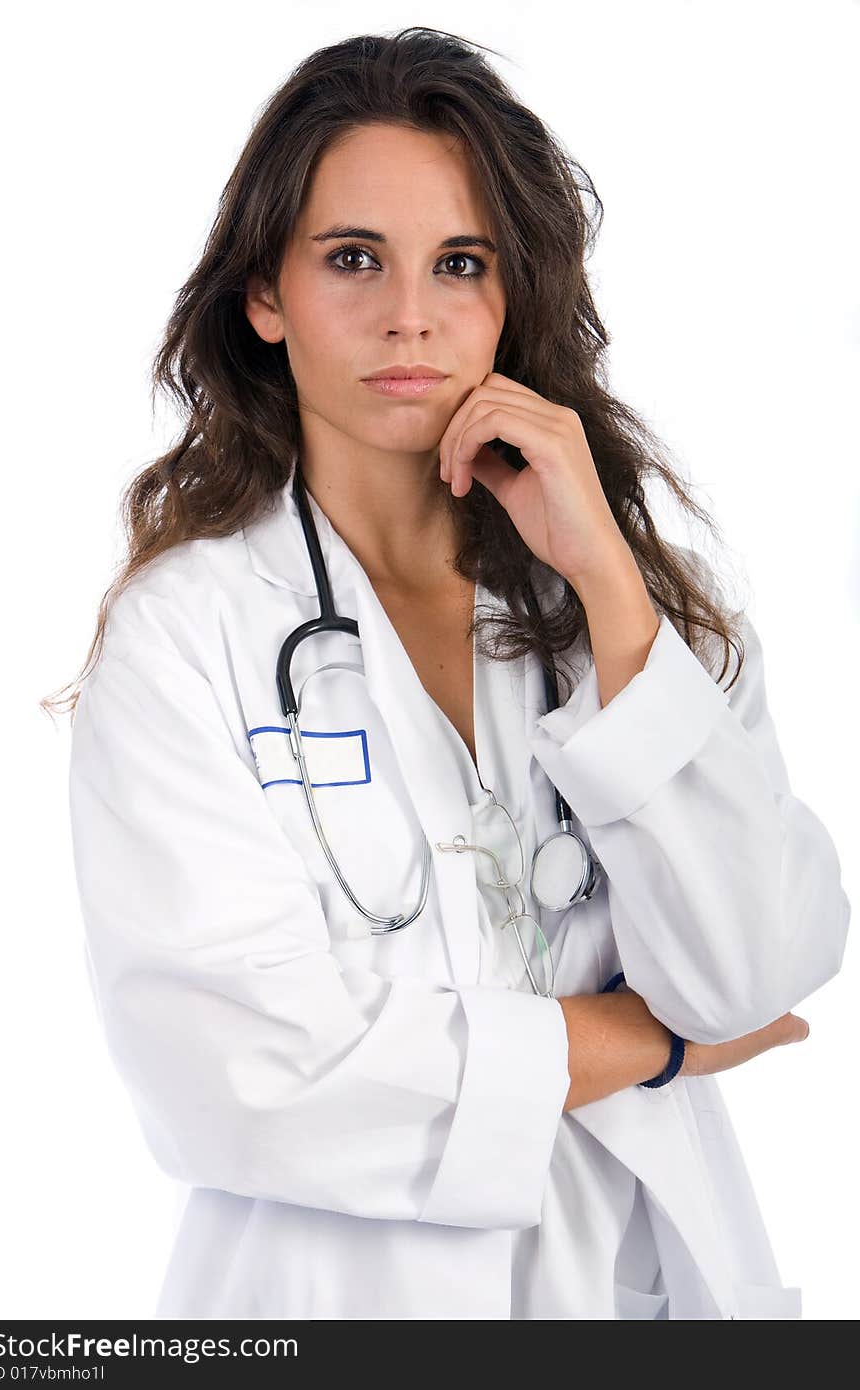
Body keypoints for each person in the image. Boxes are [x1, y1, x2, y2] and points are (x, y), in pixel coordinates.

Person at [47, 28, 850, 1320]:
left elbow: (757, 964)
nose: (409, 315)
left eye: (460, 264)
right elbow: (244, 1075)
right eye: (353, 259)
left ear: (510, 296)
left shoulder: (628, 605)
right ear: (267, 297)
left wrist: (615, 598)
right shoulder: (185, 635)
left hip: (641, 1293)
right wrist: (648, 1043)